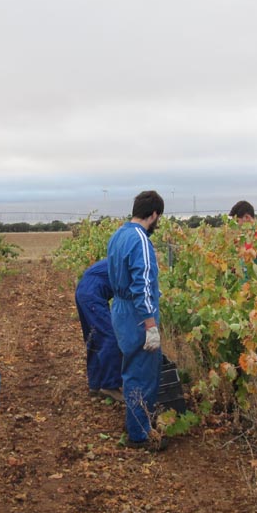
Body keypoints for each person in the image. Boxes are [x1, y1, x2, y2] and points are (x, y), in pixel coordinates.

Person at [106, 190, 166, 450]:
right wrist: (150, 324)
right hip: (137, 314)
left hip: (120, 309)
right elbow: (141, 285)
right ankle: (140, 434)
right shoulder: (141, 239)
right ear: (153, 214)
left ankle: (135, 423)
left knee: (131, 369)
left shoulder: (118, 235)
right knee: (143, 372)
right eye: (158, 217)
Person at [75, 259, 123, 400]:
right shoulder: (129, 264)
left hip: (84, 291)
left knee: (95, 337)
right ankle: (109, 385)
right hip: (92, 295)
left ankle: (95, 384)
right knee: (110, 337)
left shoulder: (119, 258)